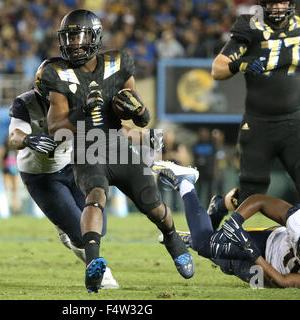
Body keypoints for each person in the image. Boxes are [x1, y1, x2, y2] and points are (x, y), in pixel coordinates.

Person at [43, 9, 193, 293]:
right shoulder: (57, 73)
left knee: (153, 204)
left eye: (78, 35)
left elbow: (136, 115)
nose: (73, 42)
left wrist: (141, 112)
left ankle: (172, 238)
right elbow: (55, 128)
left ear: (95, 37)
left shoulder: (118, 63)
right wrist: (81, 114)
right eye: (69, 36)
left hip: (118, 145)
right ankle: (93, 262)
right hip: (87, 148)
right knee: (95, 197)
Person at [211, 0, 300, 213]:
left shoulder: (298, 23)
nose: (278, 7)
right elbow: (217, 69)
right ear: (263, 4)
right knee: (251, 195)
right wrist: (239, 63)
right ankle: (220, 206)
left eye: (282, 1)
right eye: (272, 2)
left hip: (294, 121)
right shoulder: (251, 26)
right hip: (259, 124)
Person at [155, 160, 300, 288]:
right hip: (270, 242)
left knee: (224, 262)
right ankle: (185, 182)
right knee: (207, 246)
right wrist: (235, 221)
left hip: (267, 274)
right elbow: (260, 201)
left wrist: (250, 251)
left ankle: (208, 219)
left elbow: (282, 282)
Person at [8, 88, 119, 290]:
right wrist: (27, 139)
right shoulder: (25, 102)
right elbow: (14, 135)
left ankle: (65, 224)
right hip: (41, 174)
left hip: (72, 164)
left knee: (97, 228)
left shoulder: (76, 96)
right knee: (79, 233)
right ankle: (99, 272)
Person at [0, 135, 20, 214]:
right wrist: (5, 163)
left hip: (15, 171)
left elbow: (20, 158)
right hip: (6, 171)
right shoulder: (3, 148)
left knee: (15, 189)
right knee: (5, 189)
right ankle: (5, 207)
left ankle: (15, 207)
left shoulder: (16, 148)